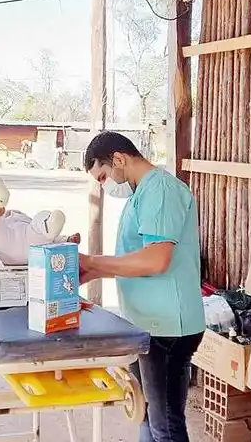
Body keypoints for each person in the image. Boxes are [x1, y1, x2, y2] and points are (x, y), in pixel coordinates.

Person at [79, 131, 205, 442]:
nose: (106, 185)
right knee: (147, 413)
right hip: (149, 322)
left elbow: (156, 260)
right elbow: (134, 260)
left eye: (104, 176)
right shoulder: (142, 193)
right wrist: (92, 272)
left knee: (166, 423)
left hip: (167, 327)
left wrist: (94, 262)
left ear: (119, 159)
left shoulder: (160, 190)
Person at [0, 176, 80, 266]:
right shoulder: (16, 218)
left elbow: (52, 238)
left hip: (17, 249)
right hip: (27, 249)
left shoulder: (12, 219)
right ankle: (48, 224)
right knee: (40, 222)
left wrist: (67, 240)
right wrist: (66, 240)